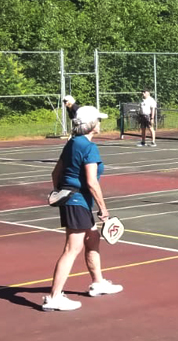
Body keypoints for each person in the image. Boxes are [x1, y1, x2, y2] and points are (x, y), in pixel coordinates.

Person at [44, 106, 123, 311]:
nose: (100, 123)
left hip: (75, 201)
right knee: (72, 249)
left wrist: (60, 193)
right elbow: (91, 182)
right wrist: (103, 209)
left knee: (93, 239)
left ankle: (97, 283)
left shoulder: (72, 143)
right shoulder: (89, 147)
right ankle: (54, 297)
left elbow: (55, 173)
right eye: (98, 120)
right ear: (91, 124)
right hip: (78, 201)